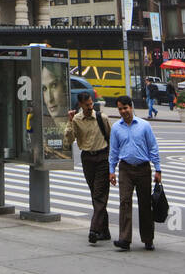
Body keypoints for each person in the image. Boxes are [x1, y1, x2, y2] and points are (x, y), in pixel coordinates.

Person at [109, 95, 162, 251]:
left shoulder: (144, 125)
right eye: (120, 109)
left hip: (143, 168)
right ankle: (124, 239)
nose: (123, 111)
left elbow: (153, 147)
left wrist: (158, 169)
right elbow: (114, 150)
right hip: (125, 168)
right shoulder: (116, 128)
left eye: (125, 108)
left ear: (131, 107)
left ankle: (148, 239)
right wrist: (111, 170)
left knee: (145, 203)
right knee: (124, 202)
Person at [63, 92, 112, 244]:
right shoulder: (76, 119)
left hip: (103, 157)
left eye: (91, 104)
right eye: (87, 105)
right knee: (95, 194)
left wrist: (113, 163)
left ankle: (94, 230)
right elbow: (68, 140)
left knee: (99, 195)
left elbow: (111, 138)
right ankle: (105, 231)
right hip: (87, 159)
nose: (90, 107)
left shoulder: (102, 118)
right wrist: (70, 121)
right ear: (80, 105)